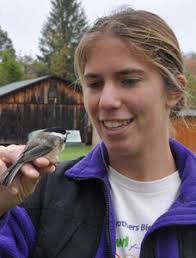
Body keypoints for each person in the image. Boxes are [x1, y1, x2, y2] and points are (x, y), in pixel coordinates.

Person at [0, 7, 196, 258]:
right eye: (94, 84)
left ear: (174, 91)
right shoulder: (35, 192)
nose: (106, 101)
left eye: (128, 80)